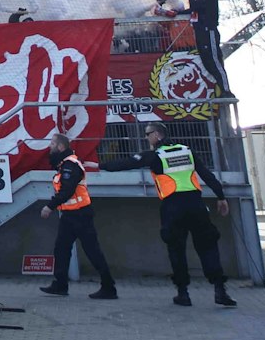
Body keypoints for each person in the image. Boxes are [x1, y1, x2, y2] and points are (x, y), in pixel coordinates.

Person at [101, 122, 236, 307]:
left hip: (173, 207)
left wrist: (101, 165)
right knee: (208, 248)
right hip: (196, 205)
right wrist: (221, 197)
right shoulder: (186, 151)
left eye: (148, 134)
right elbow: (207, 175)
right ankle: (220, 291)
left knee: (176, 250)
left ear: (157, 135)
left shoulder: (155, 156)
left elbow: (127, 163)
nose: (146, 138)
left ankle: (183, 293)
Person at [37, 132, 117, 299]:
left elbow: (67, 190)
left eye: (52, 144)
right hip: (69, 215)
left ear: (60, 147)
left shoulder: (70, 165)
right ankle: (60, 285)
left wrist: (49, 206)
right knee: (61, 249)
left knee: (92, 251)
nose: (49, 148)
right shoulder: (64, 165)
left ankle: (109, 287)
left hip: (80, 215)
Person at [159, 0, 231, 93]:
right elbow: (192, 10)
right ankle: (220, 88)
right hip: (200, 32)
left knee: (215, 61)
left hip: (209, 31)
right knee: (207, 62)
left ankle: (226, 90)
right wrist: (175, 12)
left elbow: (195, 7)